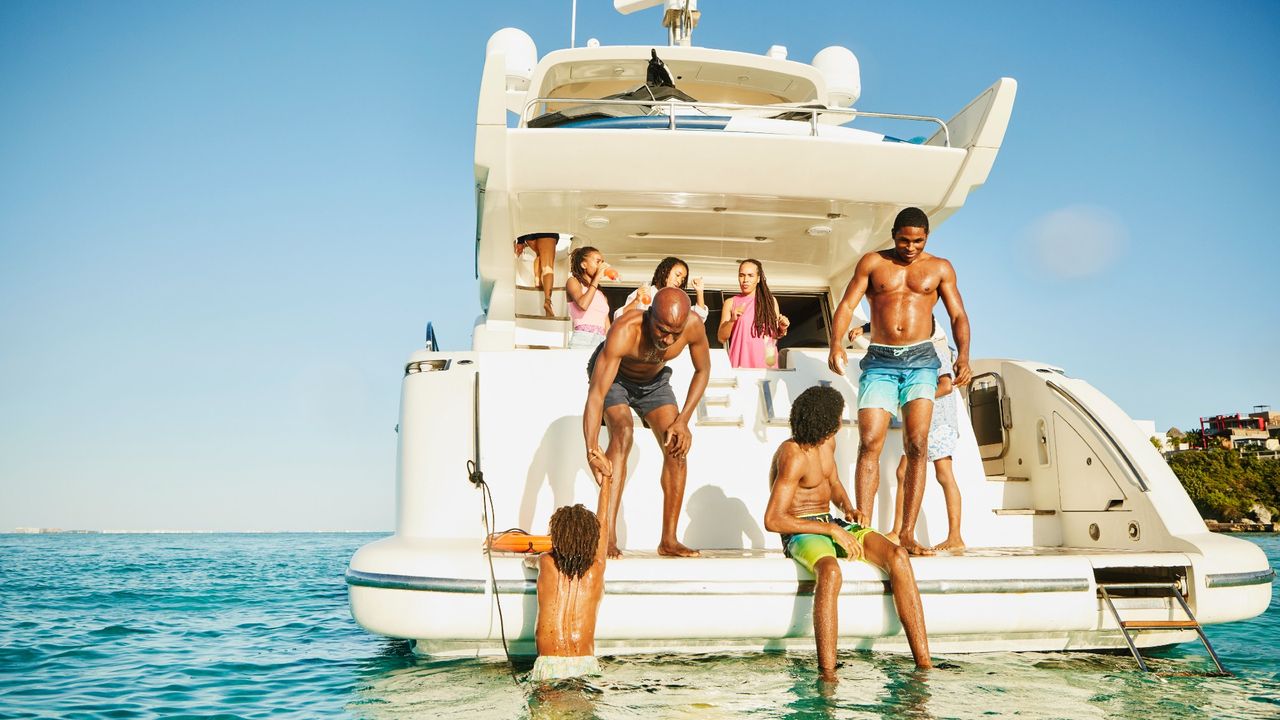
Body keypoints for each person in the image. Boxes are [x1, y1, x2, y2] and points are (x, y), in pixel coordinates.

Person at [827, 207, 971, 556]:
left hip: (922, 361)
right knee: (870, 443)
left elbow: (957, 315)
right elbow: (847, 304)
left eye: (918, 241)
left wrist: (963, 355)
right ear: (893, 235)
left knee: (918, 445)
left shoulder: (940, 268)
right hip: (879, 360)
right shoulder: (873, 263)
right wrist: (835, 343)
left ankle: (906, 534)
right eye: (905, 240)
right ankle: (863, 531)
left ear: (927, 238)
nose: (910, 247)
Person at [764, 385, 933, 676]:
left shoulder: (827, 444)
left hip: (830, 521)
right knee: (830, 572)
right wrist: (830, 530)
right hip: (800, 530)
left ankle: (924, 664)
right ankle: (828, 674)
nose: (842, 423)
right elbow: (773, 519)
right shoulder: (793, 455)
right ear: (827, 423)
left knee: (898, 556)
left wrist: (848, 507)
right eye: (838, 418)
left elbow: (833, 483)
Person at [585, 287, 710, 558]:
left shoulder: (693, 326)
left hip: (654, 382)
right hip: (615, 378)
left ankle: (669, 540)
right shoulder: (625, 329)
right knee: (623, 433)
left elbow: (703, 370)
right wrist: (592, 448)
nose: (667, 339)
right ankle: (605, 535)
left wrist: (683, 421)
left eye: (674, 334)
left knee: (677, 447)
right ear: (650, 314)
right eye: (662, 330)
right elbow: (596, 395)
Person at [852, 324, 967, 552]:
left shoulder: (936, 350)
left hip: (939, 421)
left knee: (944, 474)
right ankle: (900, 531)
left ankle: (955, 535)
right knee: (903, 472)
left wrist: (910, 398)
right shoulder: (915, 349)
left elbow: (946, 386)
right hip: (922, 421)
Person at [530, 448, 614, 681]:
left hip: (548, 666)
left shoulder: (545, 562)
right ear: (592, 538)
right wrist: (607, 480)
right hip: (585, 666)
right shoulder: (596, 569)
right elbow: (603, 524)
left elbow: (534, 557)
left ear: (556, 537)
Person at [717, 258, 790, 368]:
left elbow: (773, 336)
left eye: (750, 275)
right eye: (741, 275)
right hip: (740, 365)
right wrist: (732, 320)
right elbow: (721, 338)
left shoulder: (770, 301)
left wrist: (782, 328)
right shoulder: (730, 302)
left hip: (767, 366)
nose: (745, 279)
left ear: (758, 278)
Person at [614, 256, 709, 322]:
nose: (679, 281)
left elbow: (698, 319)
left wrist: (700, 291)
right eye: (677, 275)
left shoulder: (678, 300)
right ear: (665, 271)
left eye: (683, 279)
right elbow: (619, 318)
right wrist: (636, 300)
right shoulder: (646, 292)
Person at [566, 246, 612, 349]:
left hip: (602, 340)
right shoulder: (573, 282)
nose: (601, 265)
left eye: (602, 262)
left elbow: (607, 326)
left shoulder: (601, 295)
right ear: (584, 265)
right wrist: (597, 278)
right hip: (582, 339)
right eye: (598, 261)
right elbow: (583, 305)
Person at [517, 233, 560, 317]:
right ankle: (547, 301)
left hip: (529, 233)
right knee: (548, 267)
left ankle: (538, 281)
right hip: (547, 230)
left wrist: (520, 241)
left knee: (540, 254)